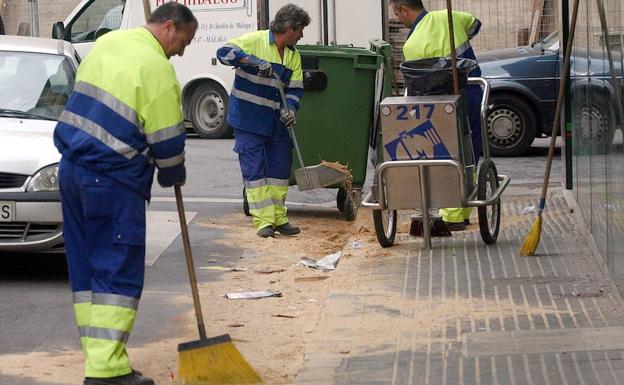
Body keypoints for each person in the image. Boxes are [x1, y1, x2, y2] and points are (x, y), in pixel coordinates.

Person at [53, 2, 196, 384]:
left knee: (87, 267)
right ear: (168, 27)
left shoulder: (107, 43)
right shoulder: (157, 69)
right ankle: (105, 371)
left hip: (71, 169)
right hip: (112, 179)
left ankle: (101, 356)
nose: (181, 51)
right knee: (117, 266)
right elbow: (167, 139)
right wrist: (173, 175)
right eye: (183, 41)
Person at [217, 3, 310, 238]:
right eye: (300, 30)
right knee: (255, 172)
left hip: (276, 123)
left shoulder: (292, 55)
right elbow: (223, 53)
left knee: (280, 172)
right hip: (249, 120)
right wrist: (252, 61)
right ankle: (263, 222)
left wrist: (290, 109)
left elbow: (296, 90)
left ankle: (279, 218)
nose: (302, 35)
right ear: (289, 28)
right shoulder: (255, 41)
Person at [390, 0, 483, 231]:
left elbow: (417, 85)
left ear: (404, 9)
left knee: (443, 151)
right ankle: (462, 211)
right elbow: (475, 25)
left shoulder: (411, 45)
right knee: (469, 150)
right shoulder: (453, 17)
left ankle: (451, 214)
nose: (397, 19)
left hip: (438, 105)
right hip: (470, 93)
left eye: (396, 13)